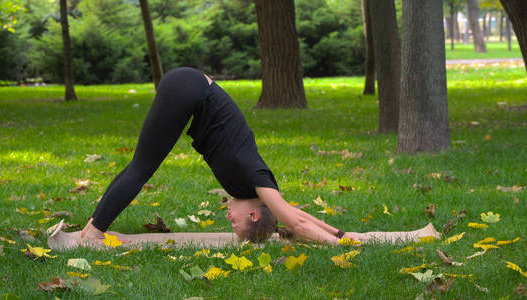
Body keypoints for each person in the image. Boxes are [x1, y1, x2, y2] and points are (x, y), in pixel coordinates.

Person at [80, 67, 440, 247]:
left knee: (140, 165)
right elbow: (296, 224)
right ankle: (92, 234)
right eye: (235, 224)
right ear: (253, 213)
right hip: (190, 90)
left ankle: (92, 228)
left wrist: (345, 233)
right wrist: (340, 247)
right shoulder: (258, 183)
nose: (228, 219)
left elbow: (296, 217)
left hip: (192, 90)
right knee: (142, 167)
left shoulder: (258, 189)